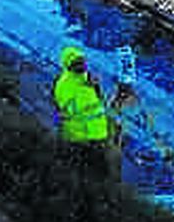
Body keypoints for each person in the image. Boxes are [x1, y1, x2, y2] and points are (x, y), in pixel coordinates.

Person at [51, 45, 132, 177]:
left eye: (82, 61)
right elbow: (73, 112)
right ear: (69, 66)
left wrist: (96, 88)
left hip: (99, 135)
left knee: (104, 171)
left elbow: (99, 104)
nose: (83, 65)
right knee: (89, 173)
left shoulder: (87, 79)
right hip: (82, 139)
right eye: (77, 63)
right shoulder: (64, 86)